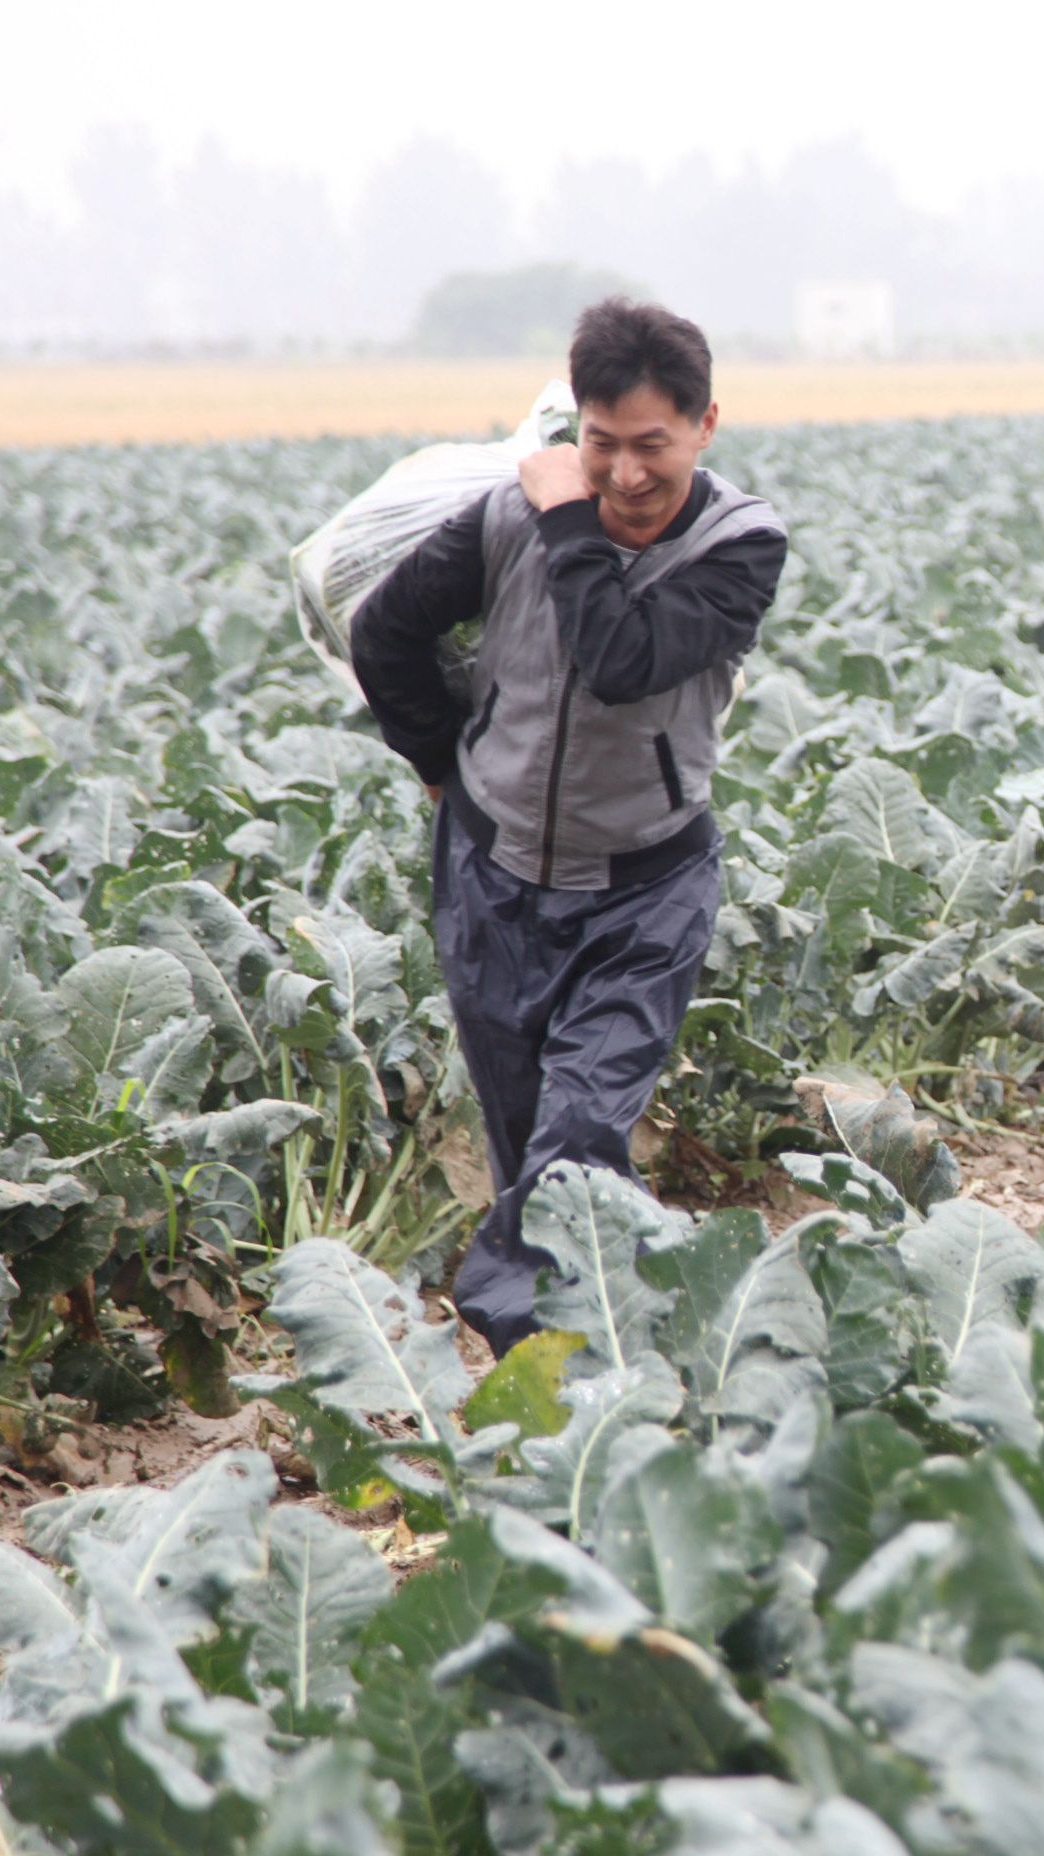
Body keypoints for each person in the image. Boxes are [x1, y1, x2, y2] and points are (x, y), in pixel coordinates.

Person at [352, 298, 788, 1352]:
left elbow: (621, 655)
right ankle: (571, 1363)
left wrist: (567, 518)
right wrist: (444, 765)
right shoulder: (506, 516)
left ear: (705, 426)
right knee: (527, 1152)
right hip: (492, 883)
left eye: (653, 447)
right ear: (574, 427)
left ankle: (542, 1355)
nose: (628, 475)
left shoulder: (739, 549)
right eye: (601, 446)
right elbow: (383, 630)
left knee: (580, 1134)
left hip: (644, 893)